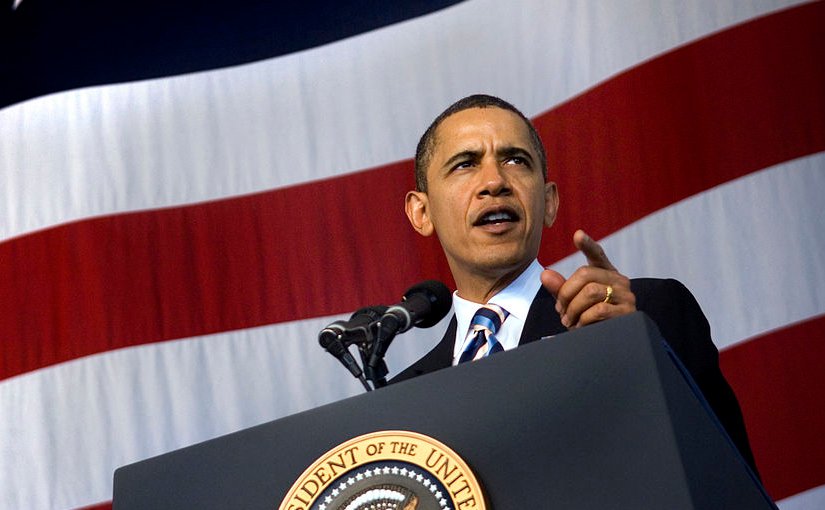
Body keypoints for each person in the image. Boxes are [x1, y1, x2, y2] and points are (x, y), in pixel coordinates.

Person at [389, 94, 758, 474]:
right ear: (422, 212)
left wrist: (635, 353)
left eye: (516, 160)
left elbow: (728, 479)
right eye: (466, 164)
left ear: (548, 202)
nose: (495, 182)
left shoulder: (642, 316)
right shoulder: (398, 402)